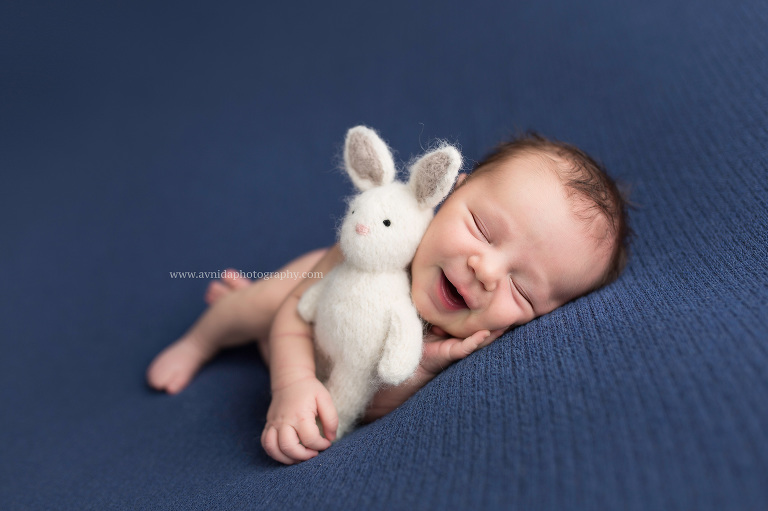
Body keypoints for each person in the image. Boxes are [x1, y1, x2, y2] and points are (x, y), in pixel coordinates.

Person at [146, 132, 631, 465]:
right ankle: (202, 338)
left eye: (521, 290)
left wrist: (422, 368)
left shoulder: (462, 344)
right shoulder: (370, 250)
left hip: (335, 371)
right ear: (448, 193)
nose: (485, 271)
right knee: (260, 307)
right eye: (481, 229)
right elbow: (294, 320)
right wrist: (291, 385)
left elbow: (369, 407)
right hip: (305, 312)